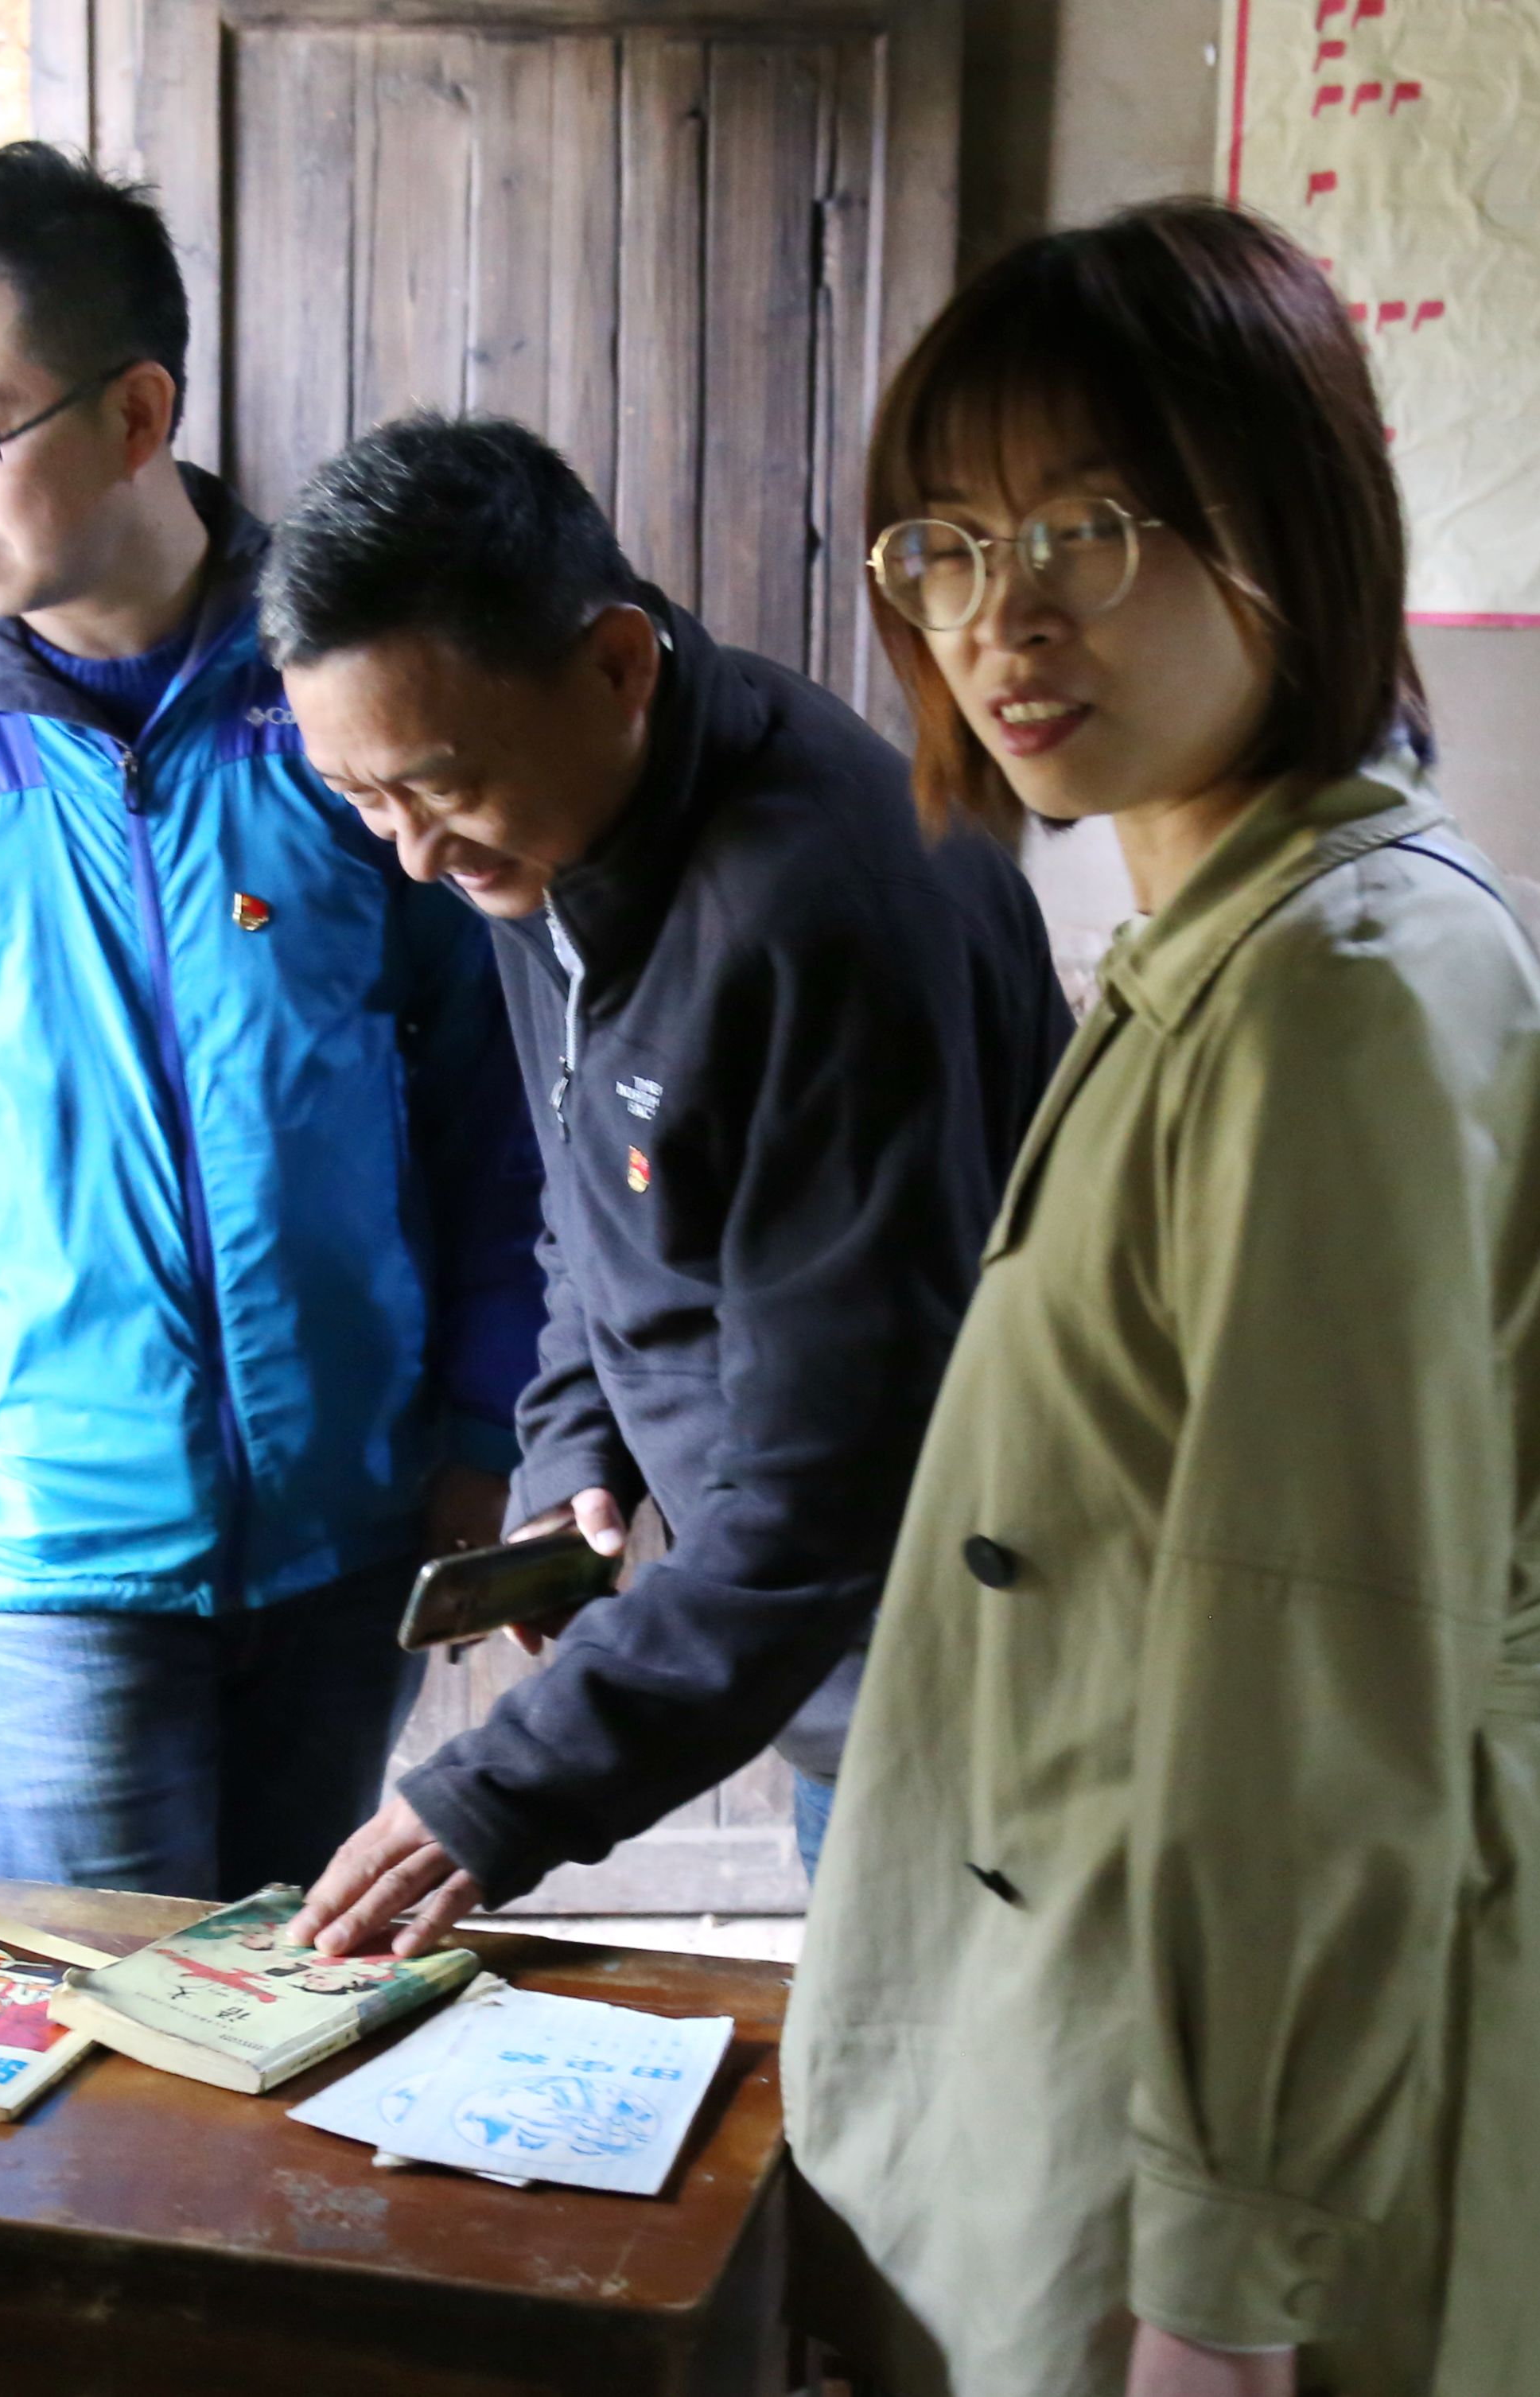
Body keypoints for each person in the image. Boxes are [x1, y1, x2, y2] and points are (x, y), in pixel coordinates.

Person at [780, 200, 1540, 2397]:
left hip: (1290, 2117)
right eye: (942, 543)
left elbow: (1310, 1688)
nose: (1002, 613)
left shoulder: (1328, 990)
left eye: (1087, 524)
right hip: (1198, 2019)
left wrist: (1220, 2292)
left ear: (1286, 531)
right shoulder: (1244, 929)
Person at [0, 144, 544, 1900]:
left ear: (140, 411)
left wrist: (483, 1420)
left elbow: (488, 1089)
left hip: (349, 1511)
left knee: (299, 1990)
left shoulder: (332, 689)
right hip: (43, 1546)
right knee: (105, 2023)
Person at [258, 418, 1071, 1959]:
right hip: (827, 1663)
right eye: (360, 800)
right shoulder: (554, 824)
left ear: (617, 664)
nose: (414, 855)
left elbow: (830, 1485)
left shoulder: (819, 921)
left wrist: (501, 1790)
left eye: (435, 787)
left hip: (982, 1689)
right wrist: (577, 1433)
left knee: (940, 2097)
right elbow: (599, 1179)